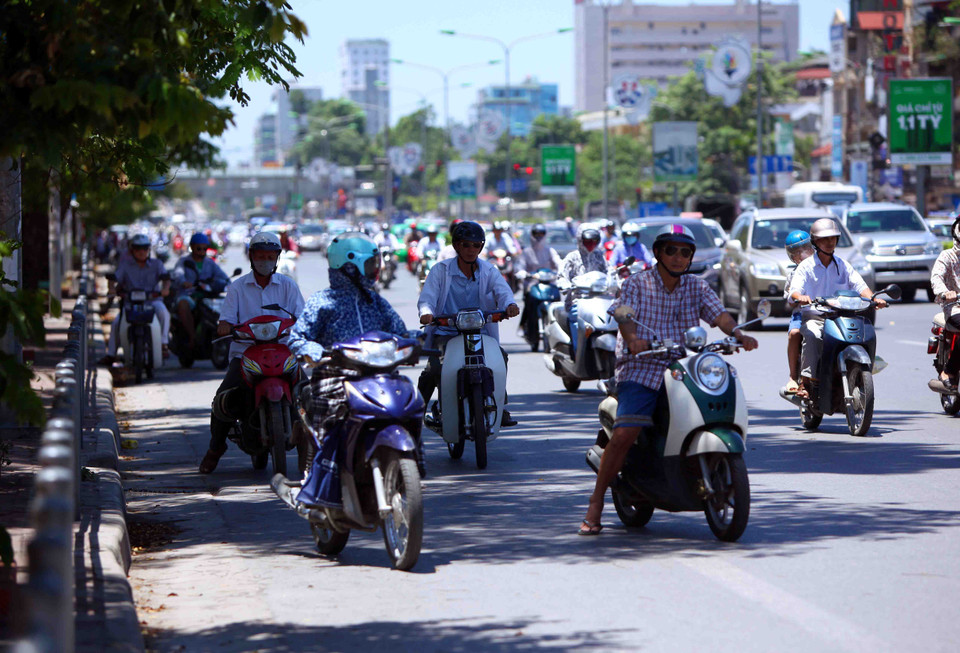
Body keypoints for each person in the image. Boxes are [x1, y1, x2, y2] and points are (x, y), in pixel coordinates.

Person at [579, 224, 758, 535]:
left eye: (685, 252)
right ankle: (595, 504)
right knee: (626, 431)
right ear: (658, 253)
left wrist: (738, 334)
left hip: (684, 364)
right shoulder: (637, 283)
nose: (678, 257)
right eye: (671, 250)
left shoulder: (697, 287)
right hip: (642, 365)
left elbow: (719, 316)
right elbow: (622, 313)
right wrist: (633, 339)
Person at [289, 232, 408, 471]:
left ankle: (408, 464)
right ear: (350, 268)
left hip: (379, 378)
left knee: (408, 402)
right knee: (328, 425)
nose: (375, 269)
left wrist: (415, 340)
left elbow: (400, 332)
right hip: (335, 377)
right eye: (370, 264)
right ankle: (320, 474)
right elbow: (298, 337)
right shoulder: (322, 302)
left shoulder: (376, 301)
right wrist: (314, 351)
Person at [199, 231, 305, 474]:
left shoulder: (288, 286)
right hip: (245, 354)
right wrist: (225, 325)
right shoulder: (237, 288)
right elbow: (225, 319)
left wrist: (306, 326)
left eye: (270, 256)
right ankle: (215, 449)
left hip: (283, 352)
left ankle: (308, 454)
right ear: (251, 257)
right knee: (222, 399)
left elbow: (303, 316)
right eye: (260, 255)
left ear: (277, 258)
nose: (265, 260)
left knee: (308, 393)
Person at [417, 221, 520, 427]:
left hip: (478, 332)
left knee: (500, 357)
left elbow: (503, 291)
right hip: (445, 331)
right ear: (456, 246)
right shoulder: (440, 271)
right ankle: (417, 409)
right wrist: (426, 313)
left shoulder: (488, 270)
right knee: (435, 368)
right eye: (466, 245)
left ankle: (498, 405)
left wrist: (510, 305)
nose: (471, 250)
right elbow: (427, 298)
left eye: (476, 245)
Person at [787, 218, 888, 400]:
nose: (830, 242)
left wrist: (873, 298)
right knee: (812, 335)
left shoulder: (843, 265)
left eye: (833, 238)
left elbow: (859, 285)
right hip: (815, 317)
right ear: (815, 242)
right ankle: (807, 381)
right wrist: (799, 297)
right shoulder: (805, 267)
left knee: (865, 333)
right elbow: (794, 290)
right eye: (824, 239)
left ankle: (860, 370)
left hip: (842, 316)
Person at [102, 233, 171, 364]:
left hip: (152, 301)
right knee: (117, 323)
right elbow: (114, 279)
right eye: (138, 248)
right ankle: (111, 354)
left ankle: (163, 344)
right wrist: (111, 288)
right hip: (130, 303)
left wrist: (165, 289)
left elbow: (166, 278)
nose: (141, 252)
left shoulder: (157, 264)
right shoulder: (125, 265)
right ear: (132, 250)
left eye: (144, 248)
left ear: (149, 250)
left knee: (163, 313)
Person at [171, 233, 231, 352]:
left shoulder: (210, 263)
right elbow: (177, 274)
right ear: (192, 247)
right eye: (199, 248)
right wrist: (184, 282)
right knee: (183, 304)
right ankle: (192, 336)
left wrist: (229, 283)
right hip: (189, 295)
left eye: (205, 248)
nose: (202, 251)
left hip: (206, 296)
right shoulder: (183, 261)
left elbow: (222, 276)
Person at [559, 224, 607, 356]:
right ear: (580, 240)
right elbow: (562, 275)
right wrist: (565, 284)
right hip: (578, 300)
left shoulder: (600, 256)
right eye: (587, 241)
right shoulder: (572, 257)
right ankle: (579, 351)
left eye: (594, 241)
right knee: (576, 317)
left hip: (600, 300)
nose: (591, 244)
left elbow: (609, 273)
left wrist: (618, 283)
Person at [929, 215, 960, 392]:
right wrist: (944, 292)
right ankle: (949, 372)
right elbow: (937, 278)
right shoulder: (947, 256)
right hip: (955, 307)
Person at [782, 230, 815, 394]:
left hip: (827, 311)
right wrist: (798, 298)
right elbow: (789, 297)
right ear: (792, 257)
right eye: (797, 253)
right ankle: (793, 376)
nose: (803, 255)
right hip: (802, 313)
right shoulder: (794, 274)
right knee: (794, 333)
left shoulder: (823, 267)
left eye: (806, 248)